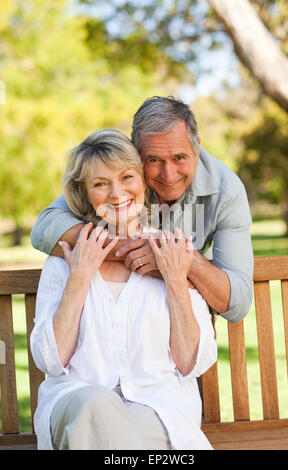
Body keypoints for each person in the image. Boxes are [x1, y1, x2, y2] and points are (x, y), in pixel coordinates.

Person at [30, 129, 217, 450]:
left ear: (143, 181)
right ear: (85, 193)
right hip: (77, 400)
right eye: (100, 184)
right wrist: (80, 276)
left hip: (156, 404)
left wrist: (174, 281)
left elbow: (192, 364)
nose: (117, 193)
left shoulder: (171, 250)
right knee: (94, 407)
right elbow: (50, 360)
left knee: (118, 434)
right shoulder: (64, 258)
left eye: (127, 177)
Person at [31, 96, 254, 322]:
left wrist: (178, 258)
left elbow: (238, 303)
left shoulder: (226, 191)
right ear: (135, 154)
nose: (168, 175)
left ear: (197, 151)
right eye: (154, 160)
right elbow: (45, 227)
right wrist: (133, 249)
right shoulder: (122, 179)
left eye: (179, 157)